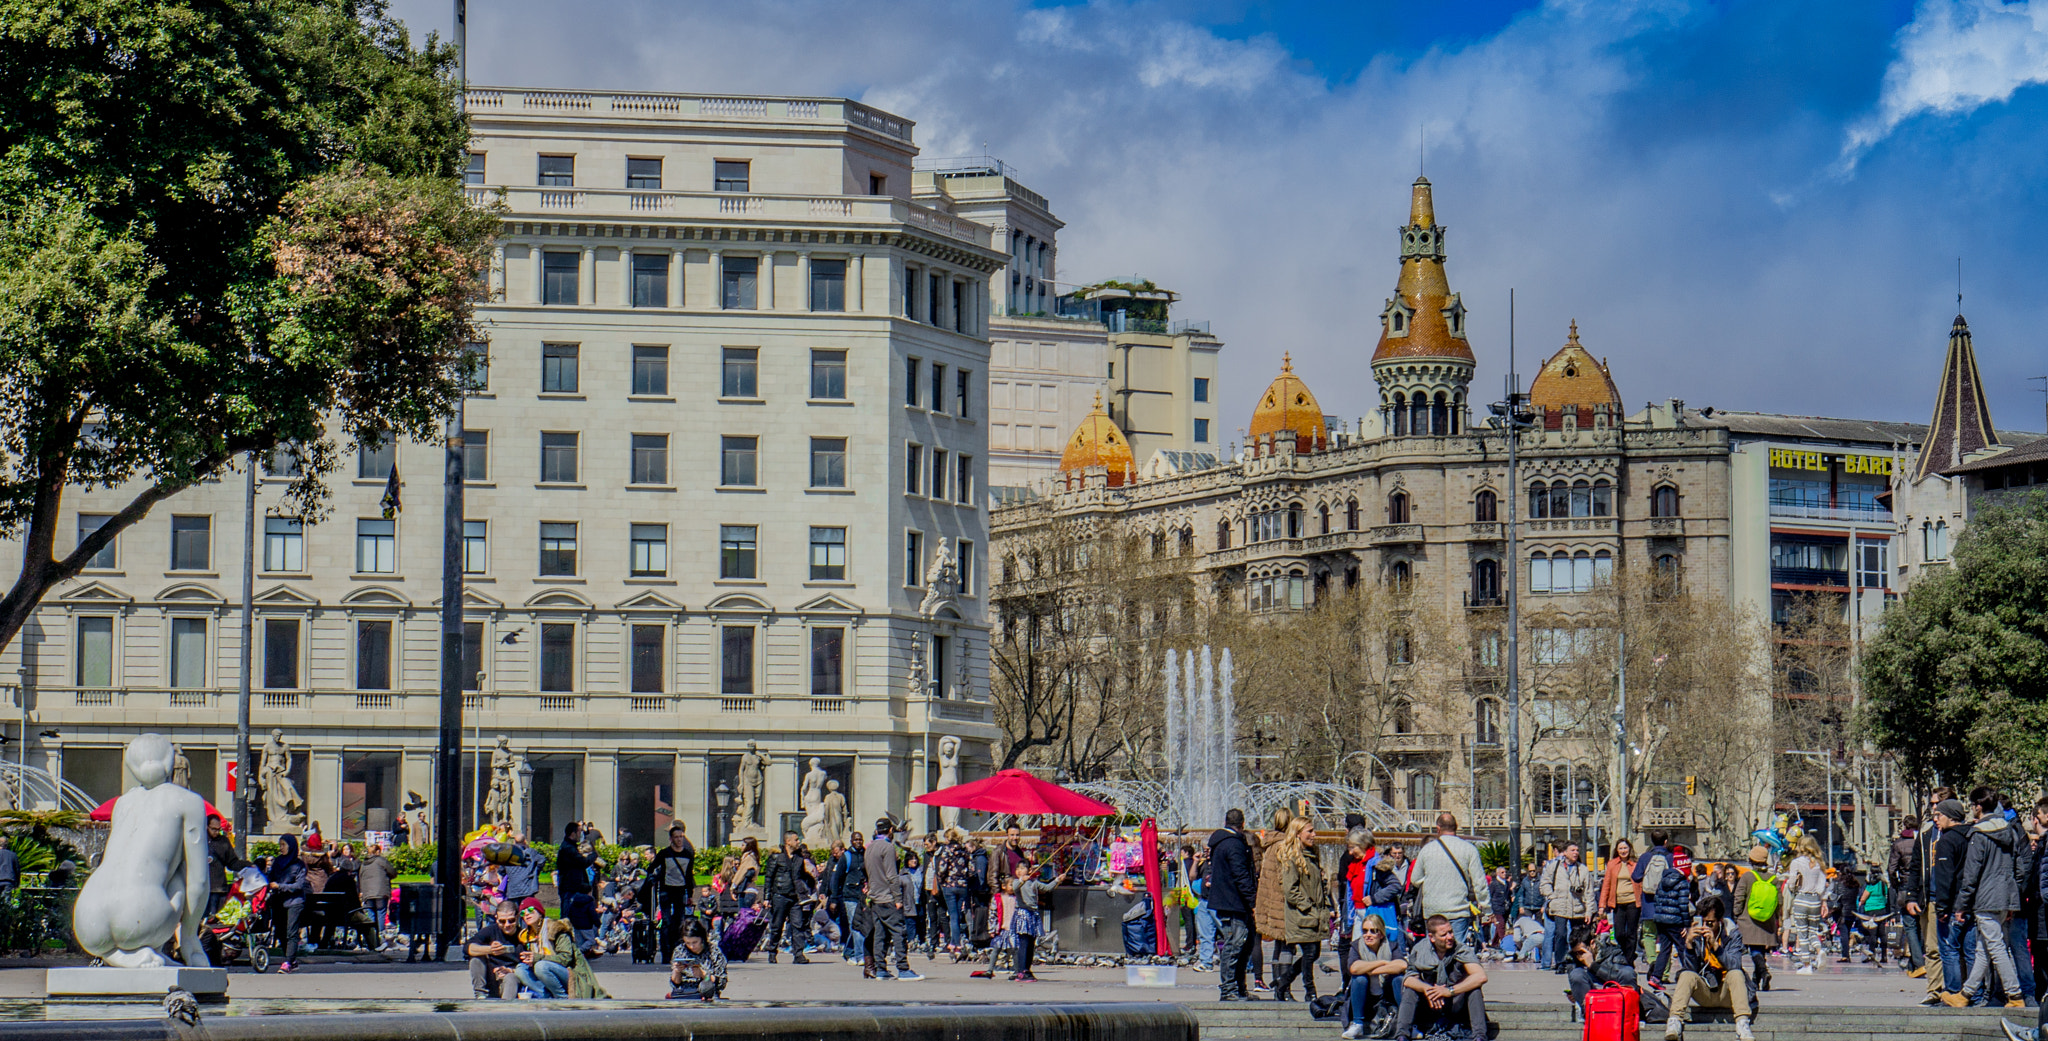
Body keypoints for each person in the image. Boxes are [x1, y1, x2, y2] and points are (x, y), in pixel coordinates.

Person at [1956, 787, 2028, 1009]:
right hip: (2005, 896)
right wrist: (2012, 897)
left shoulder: (1978, 834)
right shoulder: (2011, 832)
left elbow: (1971, 874)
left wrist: (1962, 904)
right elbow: (2020, 870)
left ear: (1978, 806)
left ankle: (2015, 995)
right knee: (1984, 949)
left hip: (1986, 898)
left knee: (1995, 947)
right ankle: (1965, 994)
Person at [1663, 895, 1757, 1041]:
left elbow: (1734, 964)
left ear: (1720, 921)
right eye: (1704, 922)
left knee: (1736, 974)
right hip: (1706, 991)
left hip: (1728, 993)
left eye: (1711, 923)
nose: (1706, 926)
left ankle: (1742, 1023)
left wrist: (1716, 946)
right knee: (1686, 975)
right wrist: (1688, 945)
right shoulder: (1697, 936)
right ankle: (1674, 1021)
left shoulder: (1732, 934)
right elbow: (1691, 969)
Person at [1393, 915, 1489, 1041]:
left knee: (1474, 990)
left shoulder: (1460, 949)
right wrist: (1428, 989)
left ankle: (1479, 1036)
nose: (1449, 937)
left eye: (1450, 932)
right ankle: (1402, 1035)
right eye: (1444, 935)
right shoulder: (1420, 950)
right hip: (1430, 1002)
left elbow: (1481, 976)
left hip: (1454, 1002)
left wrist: (1450, 991)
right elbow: (1408, 979)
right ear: (1431, 937)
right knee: (1410, 990)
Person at [1409, 813, 1487, 949]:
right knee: (1456, 952)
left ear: (1438, 829)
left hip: (1433, 910)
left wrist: (1431, 882)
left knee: (1434, 952)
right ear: (1456, 827)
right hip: (1458, 910)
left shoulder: (1427, 850)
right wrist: (1487, 909)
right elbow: (1480, 883)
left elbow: (1415, 879)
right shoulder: (1469, 849)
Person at [1209, 807, 1262, 1001]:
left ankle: (1238, 987)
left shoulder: (1220, 843)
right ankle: (1229, 988)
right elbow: (1241, 875)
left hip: (1229, 900)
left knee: (1243, 944)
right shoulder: (1234, 844)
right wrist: (1252, 900)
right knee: (1235, 945)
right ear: (1242, 824)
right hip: (1234, 902)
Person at [1276, 817, 1329, 1002]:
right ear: (1298, 834)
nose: (1314, 835)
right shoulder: (1292, 858)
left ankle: (1283, 981)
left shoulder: (1310, 855)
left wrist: (1326, 905)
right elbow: (1290, 890)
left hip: (1314, 914)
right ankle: (1310, 991)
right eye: (1310, 831)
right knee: (1309, 953)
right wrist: (1308, 906)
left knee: (1314, 953)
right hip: (1302, 915)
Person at [863, 817, 922, 980]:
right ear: (890, 831)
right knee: (898, 932)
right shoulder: (887, 847)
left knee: (880, 934)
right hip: (888, 897)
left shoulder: (869, 847)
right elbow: (892, 876)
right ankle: (902, 968)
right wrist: (898, 898)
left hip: (875, 897)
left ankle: (881, 968)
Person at [1636, 830, 1692, 983]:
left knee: (1649, 936)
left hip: (1649, 904)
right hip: (1673, 910)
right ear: (1666, 841)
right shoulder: (1671, 858)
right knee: (1671, 943)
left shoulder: (1646, 857)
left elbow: (1636, 876)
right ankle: (1667, 974)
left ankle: (1653, 962)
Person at [1343, 913, 1408, 1039]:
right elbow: (1354, 968)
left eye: (1373, 931)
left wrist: (1370, 969)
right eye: (1365, 931)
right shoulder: (1356, 946)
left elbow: (1402, 965)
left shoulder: (1391, 945)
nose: (1368, 935)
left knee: (1398, 979)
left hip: (1387, 996)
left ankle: (1405, 1023)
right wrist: (1383, 962)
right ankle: (1357, 1024)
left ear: (1381, 933)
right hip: (1366, 998)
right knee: (1359, 978)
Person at [1255, 807, 1294, 995]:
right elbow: (1284, 877)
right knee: (1286, 945)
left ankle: (1278, 984)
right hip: (1283, 903)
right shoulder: (1284, 845)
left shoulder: (1270, 844)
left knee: (1279, 946)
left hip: (1271, 901)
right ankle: (1283, 988)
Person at [647, 823, 697, 962]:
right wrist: (655, 877)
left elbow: (688, 876)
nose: (679, 839)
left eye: (681, 837)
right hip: (666, 890)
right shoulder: (664, 853)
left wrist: (690, 895)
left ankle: (676, 950)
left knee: (679, 922)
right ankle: (666, 953)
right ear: (671, 839)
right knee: (667, 922)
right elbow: (651, 867)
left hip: (680, 891)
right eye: (676, 837)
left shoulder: (687, 855)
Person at [763, 831, 815, 965]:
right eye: (796, 840)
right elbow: (769, 878)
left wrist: (810, 882)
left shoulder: (799, 857)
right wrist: (767, 897)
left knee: (798, 926)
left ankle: (798, 954)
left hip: (795, 897)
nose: (799, 842)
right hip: (780, 895)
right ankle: (772, 952)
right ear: (788, 842)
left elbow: (801, 874)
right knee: (777, 926)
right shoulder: (777, 857)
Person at [1541, 842, 1594, 973]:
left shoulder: (1583, 869)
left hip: (1578, 908)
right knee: (1560, 934)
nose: (1575, 852)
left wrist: (1589, 911)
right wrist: (1551, 896)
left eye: (1577, 850)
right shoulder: (1554, 867)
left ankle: (1578, 960)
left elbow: (1589, 892)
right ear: (1564, 852)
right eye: (1572, 850)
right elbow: (1544, 883)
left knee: (1577, 936)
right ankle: (1560, 962)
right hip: (1560, 906)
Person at [1731, 847, 1779, 992]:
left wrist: (1737, 915)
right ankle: (1756, 980)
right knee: (1760, 949)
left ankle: (1763, 973)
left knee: (1754, 950)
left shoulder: (1747, 877)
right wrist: (1777, 919)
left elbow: (1739, 898)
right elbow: (1779, 902)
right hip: (1767, 920)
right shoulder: (1773, 879)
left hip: (1748, 920)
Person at [1010, 860, 1065, 981]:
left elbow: (1047, 888)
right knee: (1023, 943)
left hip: (1033, 914)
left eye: (1022, 868)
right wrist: (1021, 880)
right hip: (1023, 913)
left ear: (1030, 870)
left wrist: (1057, 880)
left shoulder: (1034, 883)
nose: (1019, 871)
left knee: (1031, 943)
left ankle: (1027, 969)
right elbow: (1014, 887)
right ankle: (1020, 970)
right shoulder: (1017, 883)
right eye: (1017, 869)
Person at [1783, 834, 1828, 976]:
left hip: (1801, 899)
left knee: (1802, 934)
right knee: (1813, 931)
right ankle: (1820, 950)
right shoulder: (1819, 864)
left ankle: (1806, 965)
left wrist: (1793, 886)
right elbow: (1822, 887)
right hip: (1815, 900)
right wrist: (1822, 901)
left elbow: (1791, 883)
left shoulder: (1796, 862)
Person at [266, 833, 311, 973]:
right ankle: (292, 960)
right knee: (280, 931)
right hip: (280, 901)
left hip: (294, 902)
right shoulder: (278, 862)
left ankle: (288, 961)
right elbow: (270, 877)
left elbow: (299, 885)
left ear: (291, 846)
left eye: (284, 845)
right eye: (280, 845)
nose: (281, 848)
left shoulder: (299, 865)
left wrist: (280, 886)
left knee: (291, 932)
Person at [1891, 816, 1930, 978]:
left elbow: (1892, 869)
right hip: (1924, 886)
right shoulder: (1923, 840)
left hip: (1906, 886)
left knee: (1910, 926)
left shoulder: (1899, 844)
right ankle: (1913, 965)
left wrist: (1896, 884)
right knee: (1920, 926)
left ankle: (1919, 964)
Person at [1566, 924, 1637, 1009]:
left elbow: (1622, 978)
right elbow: (1577, 981)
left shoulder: (1612, 953)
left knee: (1627, 971)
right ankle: (1589, 1014)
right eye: (1576, 953)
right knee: (1576, 974)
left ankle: (1626, 1013)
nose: (1579, 957)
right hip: (1592, 999)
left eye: (1581, 952)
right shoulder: (1573, 958)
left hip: (1613, 996)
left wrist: (1593, 966)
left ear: (1592, 944)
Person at [467, 900, 524, 998]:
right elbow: (468, 948)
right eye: (502, 921)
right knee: (476, 959)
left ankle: (505, 1008)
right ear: (496, 919)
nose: (507, 925)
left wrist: (511, 970)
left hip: (511, 978)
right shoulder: (490, 931)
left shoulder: (524, 936)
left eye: (511, 920)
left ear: (517, 917)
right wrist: (490, 949)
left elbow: (529, 966)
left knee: (511, 977)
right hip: (491, 977)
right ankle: (481, 995)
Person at [1599, 838, 1642, 965]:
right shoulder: (1612, 864)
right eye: (1621, 848)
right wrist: (1602, 905)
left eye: (1625, 848)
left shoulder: (1635, 864)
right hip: (1617, 903)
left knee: (1631, 933)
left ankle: (1629, 960)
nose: (1623, 851)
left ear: (1630, 849)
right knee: (1619, 933)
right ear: (1617, 850)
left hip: (1633, 902)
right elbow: (1606, 885)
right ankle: (1626, 952)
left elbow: (1641, 883)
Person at [936, 827, 976, 957]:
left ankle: (956, 944)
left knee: (953, 916)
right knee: (958, 915)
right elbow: (972, 869)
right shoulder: (965, 851)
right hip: (962, 886)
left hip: (949, 884)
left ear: (948, 838)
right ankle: (954, 942)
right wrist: (965, 878)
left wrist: (941, 879)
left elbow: (941, 868)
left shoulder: (947, 851)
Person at [668, 917, 728, 1000]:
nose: (692, 946)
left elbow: (721, 983)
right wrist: (677, 971)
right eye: (688, 943)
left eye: (695, 942)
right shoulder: (680, 951)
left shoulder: (714, 952)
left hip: (707, 992)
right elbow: (676, 983)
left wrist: (703, 975)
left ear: (702, 939)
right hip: (685, 992)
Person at [832, 830, 869, 964]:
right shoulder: (846, 857)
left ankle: (849, 951)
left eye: (860, 839)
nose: (858, 842)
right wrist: (834, 898)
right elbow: (836, 879)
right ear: (851, 841)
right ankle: (860, 955)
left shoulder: (866, 855)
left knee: (862, 925)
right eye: (856, 840)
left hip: (863, 896)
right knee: (856, 925)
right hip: (850, 896)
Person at [205, 814, 249, 917]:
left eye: (218, 829)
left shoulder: (223, 841)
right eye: (213, 829)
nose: (216, 832)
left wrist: (247, 865)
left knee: (215, 919)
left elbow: (232, 862)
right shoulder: (200, 840)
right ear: (206, 827)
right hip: (202, 888)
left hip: (218, 887)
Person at [358, 842, 395, 946]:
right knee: (381, 912)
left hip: (367, 892)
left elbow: (360, 876)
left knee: (370, 913)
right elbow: (393, 872)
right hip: (380, 891)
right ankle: (380, 935)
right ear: (378, 851)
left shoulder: (364, 863)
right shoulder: (381, 861)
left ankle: (371, 936)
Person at [1512, 860, 1545, 963]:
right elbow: (1521, 894)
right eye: (1530, 871)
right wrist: (1521, 906)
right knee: (1526, 929)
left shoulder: (1541, 880)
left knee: (1538, 931)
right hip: (1527, 906)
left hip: (1538, 906)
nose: (1532, 873)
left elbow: (1545, 894)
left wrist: (1544, 906)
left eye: (1534, 871)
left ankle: (1539, 955)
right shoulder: (1525, 881)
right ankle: (1525, 951)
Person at [500, 832, 544, 905]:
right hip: (527, 888)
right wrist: (535, 871)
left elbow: (501, 870)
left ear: (514, 842)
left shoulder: (508, 854)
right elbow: (542, 861)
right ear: (524, 841)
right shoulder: (531, 852)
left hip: (512, 889)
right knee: (526, 911)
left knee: (514, 912)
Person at [1487, 866, 1512, 951]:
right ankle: (1505, 944)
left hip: (1505, 908)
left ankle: (1494, 943)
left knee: (1500, 926)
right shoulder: (1494, 884)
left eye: (1505, 872)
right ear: (1498, 873)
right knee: (1500, 926)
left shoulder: (1507, 884)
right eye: (1502, 872)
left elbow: (1509, 895)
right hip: (1497, 908)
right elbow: (1489, 895)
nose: (1504, 874)